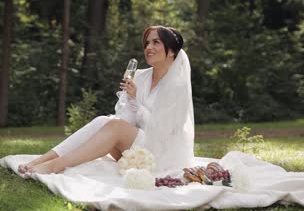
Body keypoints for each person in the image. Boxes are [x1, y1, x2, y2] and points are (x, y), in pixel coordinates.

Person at [18, 26, 195, 174]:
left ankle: (54, 166)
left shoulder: (177, 87)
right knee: (105, 120)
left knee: (114, 126)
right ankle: (40, 161)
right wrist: (127, 103)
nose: (148, 47)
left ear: (171, 51)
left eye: (156, 42)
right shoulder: (140, 76)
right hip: (134, 148)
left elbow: (163, 131)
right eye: (147, 43)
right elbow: (125, 118)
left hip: (161, 154)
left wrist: (134, 102)